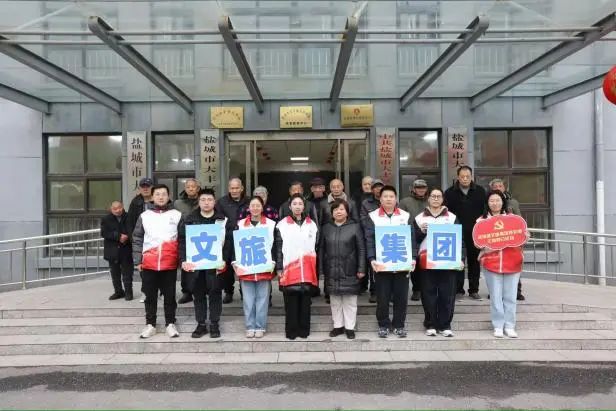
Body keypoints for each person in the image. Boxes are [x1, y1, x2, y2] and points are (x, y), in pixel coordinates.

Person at [132, 184, 183, 339]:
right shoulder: (145, 216)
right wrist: (137, 260)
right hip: (149, 262)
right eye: (158, 194)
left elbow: (182, 239)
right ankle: (150, 324)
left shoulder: (177, 215)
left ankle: (170, 323)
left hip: (169, 262)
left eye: (164, 194)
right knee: (150, 295)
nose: (161, 197)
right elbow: (137, 238)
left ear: (169, 196)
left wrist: (182, 260)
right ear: (152, 197)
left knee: (170, 295)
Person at [364, 185, 416, 338]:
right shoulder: (373, 216)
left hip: (402, 264)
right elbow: (369, 239)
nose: (388, 199)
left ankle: (399, 325)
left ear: (396, 199)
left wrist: (413, 258)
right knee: (382, 297)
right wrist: (371, 259)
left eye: (391, 196)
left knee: (401, 297)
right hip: (382, 264)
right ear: (380, 199)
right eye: (385, 196)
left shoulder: (405, 216)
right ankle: (383, 325)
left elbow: (412, 238)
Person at [476, 190, 528, 339]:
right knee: (496, 297)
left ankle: (510, 326)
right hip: (491, 263)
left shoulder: (513, 219)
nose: (495, 203)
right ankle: (498, 325)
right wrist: (484, 249)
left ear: (503, 202)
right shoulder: (481, 221)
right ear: (487, 203)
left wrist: (525, 237)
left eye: (497, 200)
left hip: (512, 262)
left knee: (510, 296)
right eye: (491, 200)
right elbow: (477, 242)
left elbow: (521, 238)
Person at [179, 188, 230, 339]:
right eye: (203, 200)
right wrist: (183, 260)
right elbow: (182, 242)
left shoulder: (222, 220)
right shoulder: (189, 220)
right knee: (198, 294)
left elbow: (228, 243)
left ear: (214, 202)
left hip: (216, 265)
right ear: (198, 202)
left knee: (215, 293)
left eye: (209, 200)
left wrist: (225, 260)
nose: (206, 203)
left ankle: (214, 323)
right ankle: (201, 324)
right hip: (196, 266)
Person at [413, 188, 464, 338]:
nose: (436, 199)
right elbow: (412, 240)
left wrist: (461, 259)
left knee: (447, 294)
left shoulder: (452, 217)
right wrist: (421, 231)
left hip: (448, 262)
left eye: (438, 196)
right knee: (428, 294)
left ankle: (445, 325)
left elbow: (460, 240)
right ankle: (430, 324)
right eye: (433, 196)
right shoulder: (419, 218)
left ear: (442, 199)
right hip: (426, 262)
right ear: (428, 198)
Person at [318, 199, 365, 340]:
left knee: (350, 300)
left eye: (341, 209)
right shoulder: (326, 228)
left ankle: (350, 327)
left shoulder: (355, 227)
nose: (338, 212)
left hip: (350, 269)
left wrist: (361, 268)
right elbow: (321, 249)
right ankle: (338, 326)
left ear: (347, 212)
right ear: (331, 212)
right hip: (331, 269)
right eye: (335, 209)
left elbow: (361, 249)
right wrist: (321, 269)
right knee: (335, 300)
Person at [275, 194, 319, 340]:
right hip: (289, 267)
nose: (298, 206)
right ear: (290, 206)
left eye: (300, 203)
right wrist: (279, 267)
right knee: (291, 301)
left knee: (306, 301)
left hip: (307, 267)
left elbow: (315, 245)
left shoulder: (311, 224)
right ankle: (291, 331)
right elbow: (278, 247)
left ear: (304, 206)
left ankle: (304, 330)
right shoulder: (282, 225)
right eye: (295, 204)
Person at [234, 196, 277, 338]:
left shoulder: (271, 224)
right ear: (248, 208)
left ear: (262, 207)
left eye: (258, 205)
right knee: (248, 299)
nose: (255, 208)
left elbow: (275, 246)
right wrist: (235, 263)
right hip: (246, 267)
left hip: (264, 266)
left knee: (263, 299)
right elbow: (235, 245)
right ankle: (250, 326)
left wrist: (273, 262)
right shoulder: (240, 224)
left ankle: (260, 326)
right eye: (253, 205)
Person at [444, 166, 486, 300]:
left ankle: (474, 289)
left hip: (475, 232)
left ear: (472, 176)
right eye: (462, 177)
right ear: (458, 177)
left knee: (474, 261)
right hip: (456, 232)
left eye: (468, 176)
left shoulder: (480, 191)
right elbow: (446, 213)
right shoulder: (449, 193)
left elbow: (485, 211)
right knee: (458, 261)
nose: (465, 179)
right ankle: (458, 290)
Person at [489, 178, 525, 301]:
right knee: (494, 267)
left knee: (513, 265)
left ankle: (517, 291)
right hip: (495, 239)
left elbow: (519, 219)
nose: (498, 188)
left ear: (504, 188)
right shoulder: (489, 202)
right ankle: (494, 292)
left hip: (510, 238)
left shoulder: (512, 202)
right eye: (495, 186)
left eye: (500, 186)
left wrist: (521, 236)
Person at [216, 178, 249, 304]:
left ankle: (244, 292)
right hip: (228, 239)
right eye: (232, 188)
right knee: (228, 268)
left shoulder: (249, 201)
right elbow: (218, 220)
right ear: (229, 189)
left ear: (242, 188)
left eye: (237, 188)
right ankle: (228, 292)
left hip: (244, 238)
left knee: (244, 265)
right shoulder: (222, 202)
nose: (234, 190)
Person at [399, 178, 429, 301]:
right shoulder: (405, 202)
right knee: (415, 264)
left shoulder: (431, 201)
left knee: (426, 263)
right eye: (418, 187)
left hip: (428, 236)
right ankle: (416, 289)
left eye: (423, 187)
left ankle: (425, 289)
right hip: (411, 236)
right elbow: (400, 218)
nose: (421, 190)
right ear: (413, 189)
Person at [126, 177, 154, 303]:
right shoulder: (135, 202)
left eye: (148, 186)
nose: (145, 189)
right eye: (143, 187)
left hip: (157, 238)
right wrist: (132, 238)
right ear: (139, 189)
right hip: (141, 239)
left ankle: (161, 291)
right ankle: (146, 292)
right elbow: (130, 222)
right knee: (143, 266)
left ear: (152, 187)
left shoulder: (158, 199)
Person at [174, 178, 201, 305]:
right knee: (185, 266)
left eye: (193, 186)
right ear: (185, 189)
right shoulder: (177, 204)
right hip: (184, 237)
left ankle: (200, 291)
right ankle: (187, 292)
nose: (190, 189)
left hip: (200, 237)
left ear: (198, 188)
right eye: (188, 187)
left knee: (200, 265)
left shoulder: (203, 201)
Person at [101, 201, 133, 301]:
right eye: (115, 209)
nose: (117, 210)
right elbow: (104, 233)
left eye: (119, 208)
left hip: (126, 249)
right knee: (115, 273)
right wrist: (118, 236)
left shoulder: (129, 216)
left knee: (127, 273)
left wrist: (127, 236)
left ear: (122, 207)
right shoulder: (106, 219)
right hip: (112, 250)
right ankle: (118, 292)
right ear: (111, 209)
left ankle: (128, 293)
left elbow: (133, 230)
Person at [359, 179, 384, 303]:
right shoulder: (366, 203)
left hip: (387, 237)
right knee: (373, 265)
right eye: (376, 187)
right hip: (371, 237)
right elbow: (363, 220)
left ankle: (386, 292)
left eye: (380, 187)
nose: (378, 189)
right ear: (372, 189)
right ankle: (374, 291)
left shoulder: (388, 200)